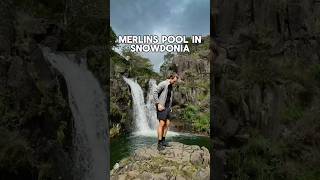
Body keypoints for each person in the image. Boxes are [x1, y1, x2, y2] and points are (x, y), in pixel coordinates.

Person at [153, 73, 178, 151]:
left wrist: (170, 107)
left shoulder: (171, 86)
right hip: (161, 107)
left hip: (167, 108)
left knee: (167, 124)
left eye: (175, 82)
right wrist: (158, 104)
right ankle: (159, 143)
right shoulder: (163, 83)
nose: (174, 83)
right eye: (174, 81)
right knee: (162, 124)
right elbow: (155, 92)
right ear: (171, 77)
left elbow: (169, 98)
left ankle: (163, 141)